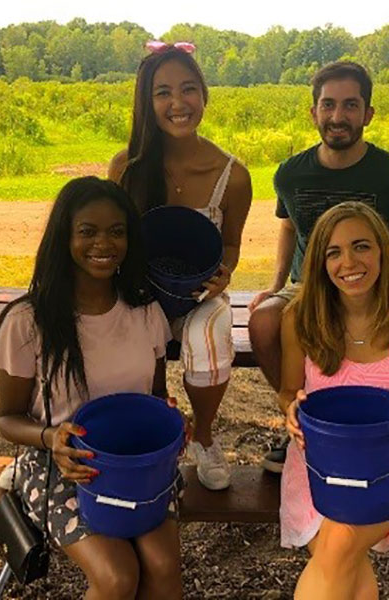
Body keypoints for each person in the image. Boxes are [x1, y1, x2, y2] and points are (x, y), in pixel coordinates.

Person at [247, 61, 389, 471]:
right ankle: (302, 418)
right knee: (263, 321)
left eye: (350, 105)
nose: (338, 116)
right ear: (314, 112)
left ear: (368, 113)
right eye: (328, 105)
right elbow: (289, 229)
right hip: (307, 284)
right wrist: (275, 286)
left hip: (374, 282)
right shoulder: (290, 174)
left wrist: (360, 280)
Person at [0, 177, 182, 600]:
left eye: (117, 231)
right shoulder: (28, 322)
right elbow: (7, 418)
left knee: (163, 566)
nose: (104, 243)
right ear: (64, 237)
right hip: (63, 465)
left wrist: (169, 415)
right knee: (117, 577)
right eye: (88, 231)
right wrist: (51, 438)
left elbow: (155, 395)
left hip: (138, 465)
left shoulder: (145, 311)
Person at [279, 201, 389, 599]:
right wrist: (291, 409)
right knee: (345, 561)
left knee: (340, 545)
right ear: (320, 263)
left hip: (387, 467)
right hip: (317, 465)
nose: (349, 262)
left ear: (383, 250)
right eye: (334, 252)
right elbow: (288, 391)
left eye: (361, 246)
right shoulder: (300, 319)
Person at [108, 42, 252, 491]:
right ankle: (153, 427)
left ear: (204, 95)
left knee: (207, 333)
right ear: (146, 103)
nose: (178, 103)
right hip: (138, 291)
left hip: (199, 294)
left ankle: (203, 435)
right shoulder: (126, 167)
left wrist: (223, 274)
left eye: (188, 89)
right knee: (127, 332)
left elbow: (231, 244)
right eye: (163, 92)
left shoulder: (233, 175)